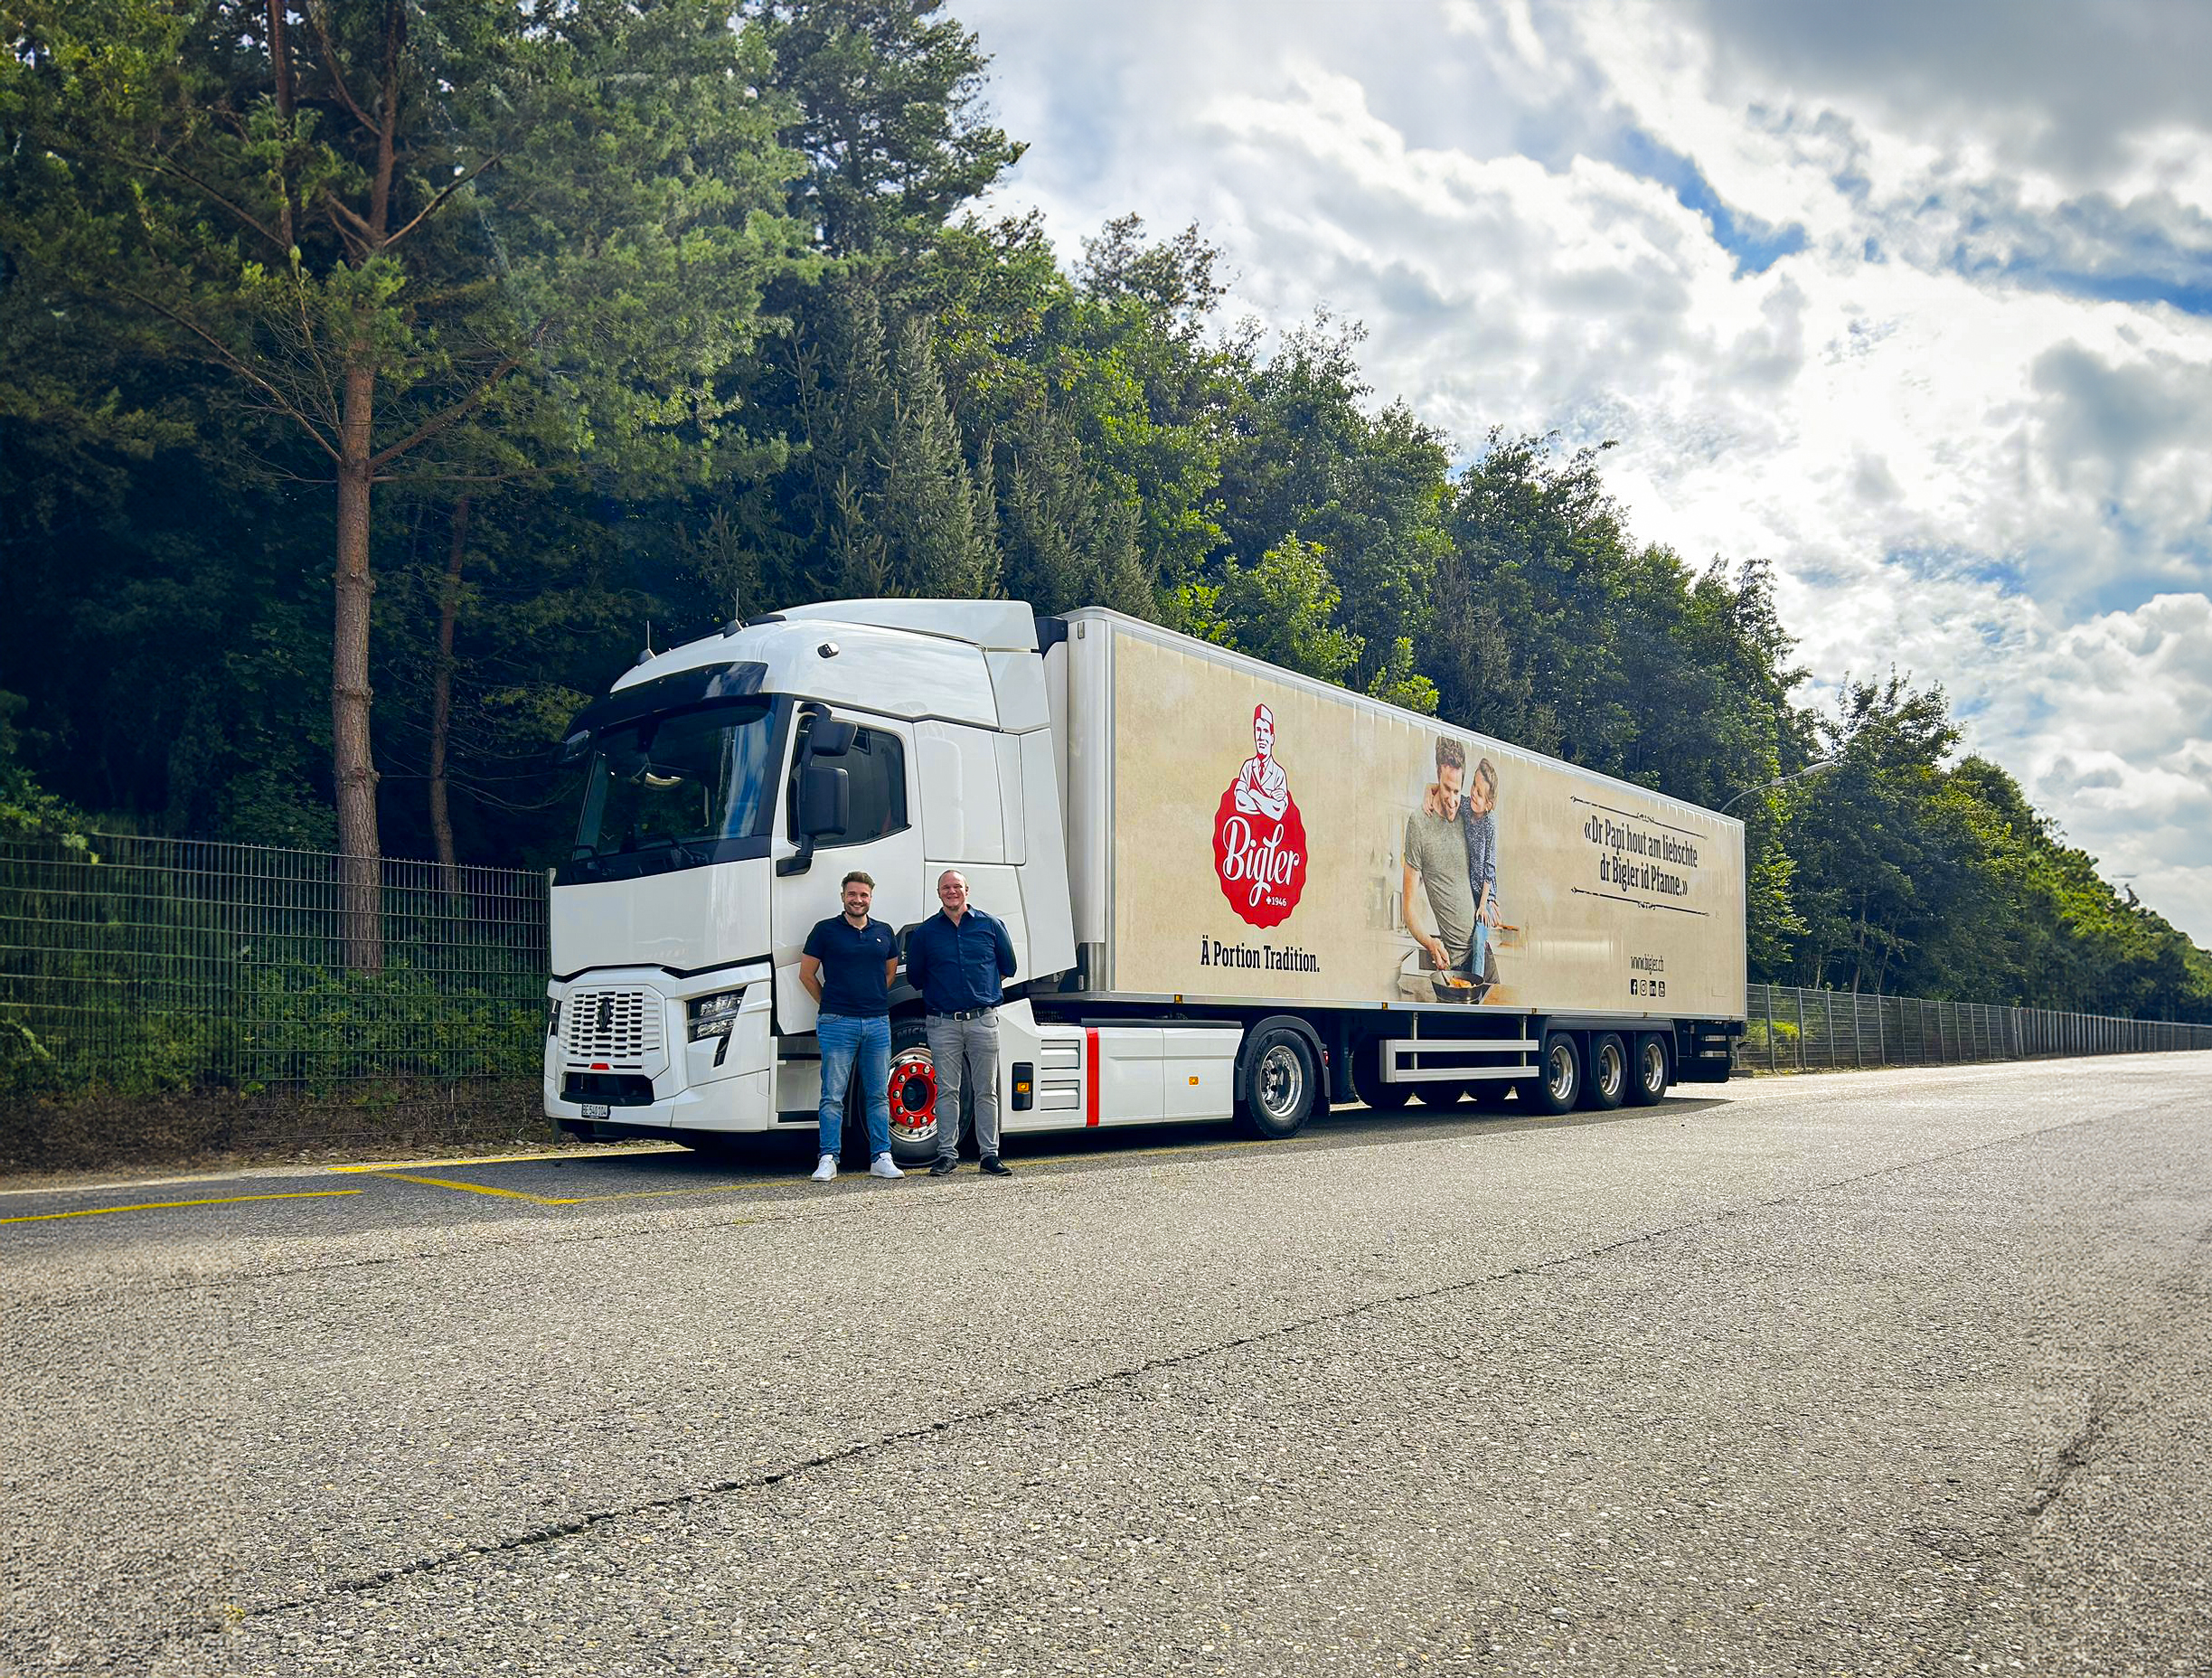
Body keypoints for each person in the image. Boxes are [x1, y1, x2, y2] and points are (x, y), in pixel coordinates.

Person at [904, 868, 1018, 1177]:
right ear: (938, 893)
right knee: (946, 1091)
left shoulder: (990, 925)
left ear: (967, 890)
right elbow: (916, 977)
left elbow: (1008, 967)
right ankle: (947, 1155)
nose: (951, 891)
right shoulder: (926, 933)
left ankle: (989, 1156)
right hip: (943, 1023)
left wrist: (980, 991)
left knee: (986, 1091)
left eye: (957, 886)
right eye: (946, 887)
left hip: (983, 1020)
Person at [798, 871, 902, 1183]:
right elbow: (806, 974)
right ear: (843, 896)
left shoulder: (884, 932)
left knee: (878, 1095)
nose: (858, 900)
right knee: (833, 1095)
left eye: (863, 895)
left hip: (877, 1023)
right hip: (837, 1022)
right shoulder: (825, 930)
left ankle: (881, 1157)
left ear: (871, 897)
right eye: (852, 894)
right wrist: (830, 1004)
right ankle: (828, 1158)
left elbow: (889, 974)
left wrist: (870, 999)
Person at [1401, 735, 1477, 979]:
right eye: (1446, 788)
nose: (1453, 800)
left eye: (1457, 791)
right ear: (1437, 774)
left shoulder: (1467, 813)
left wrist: (1431, 788)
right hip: (1456, 963)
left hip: (1482, 949)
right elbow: (1408, 907)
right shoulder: (1419, 823)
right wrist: (1430, 942)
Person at [1459, 758, 1502, 984]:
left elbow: (1489, 868)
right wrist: (1429, 790)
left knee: (1478, 939)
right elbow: (1445, 795)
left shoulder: (1489, 823)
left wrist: (1484, 904)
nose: (1473, 793)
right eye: (1473, 786)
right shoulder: (1466, 806)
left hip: (1485, 894)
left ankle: (1474, 986)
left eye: (1479, 793)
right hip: (1469, 890)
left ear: (1488, 804)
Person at [1232, 702, 1289, 821]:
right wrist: (1268, 802)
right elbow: (1240, 803)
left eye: (1265, 731)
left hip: (1269, 833)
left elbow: (1278, 811)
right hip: (1247, 831)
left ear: (1272, 738)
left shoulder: (1279, 773)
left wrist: (1253, 794)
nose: (1261, 737)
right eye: (1258, 730)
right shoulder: (1248, 767)